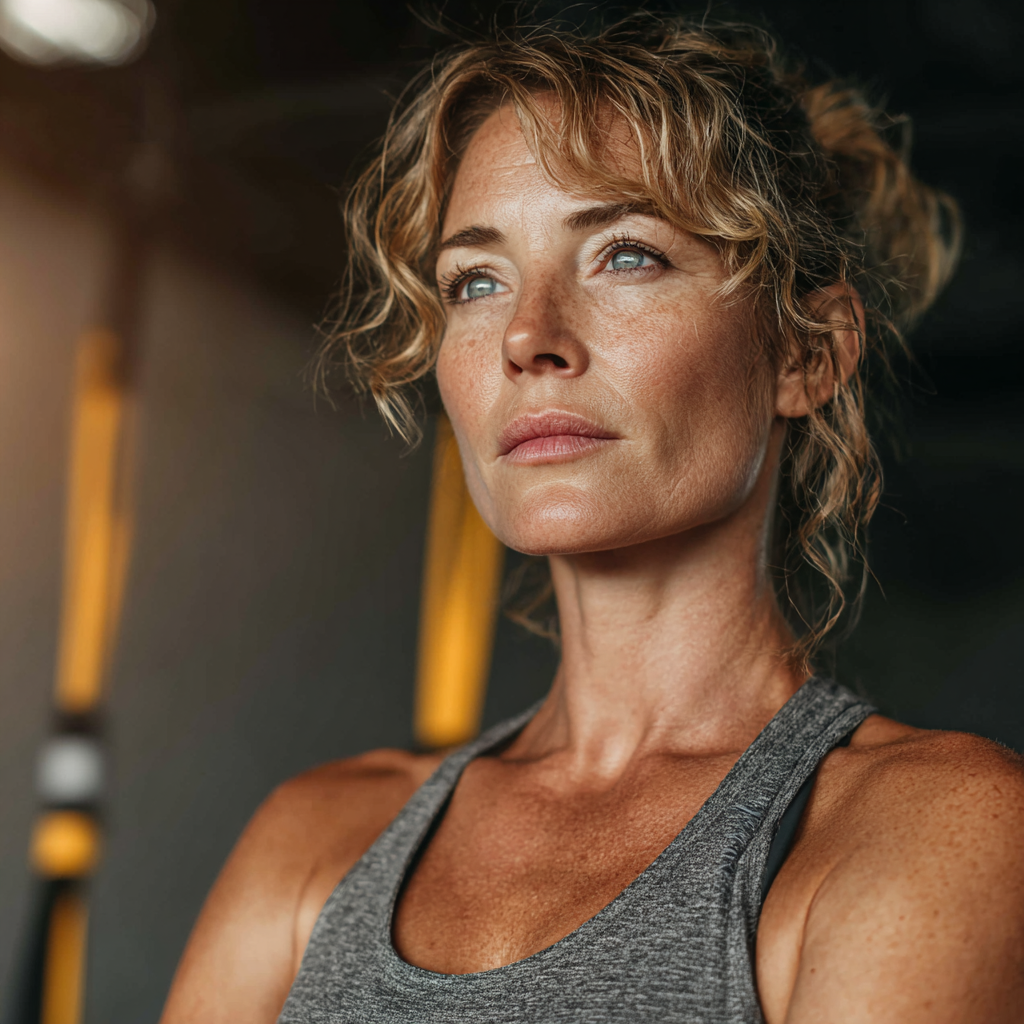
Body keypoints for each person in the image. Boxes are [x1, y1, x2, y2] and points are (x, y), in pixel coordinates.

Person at [160, 14, 1024, 1024]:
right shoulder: (317, 838)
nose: (529, 336)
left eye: (625, 256)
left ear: (807, 351)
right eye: (476, 280)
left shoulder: (930, 824)